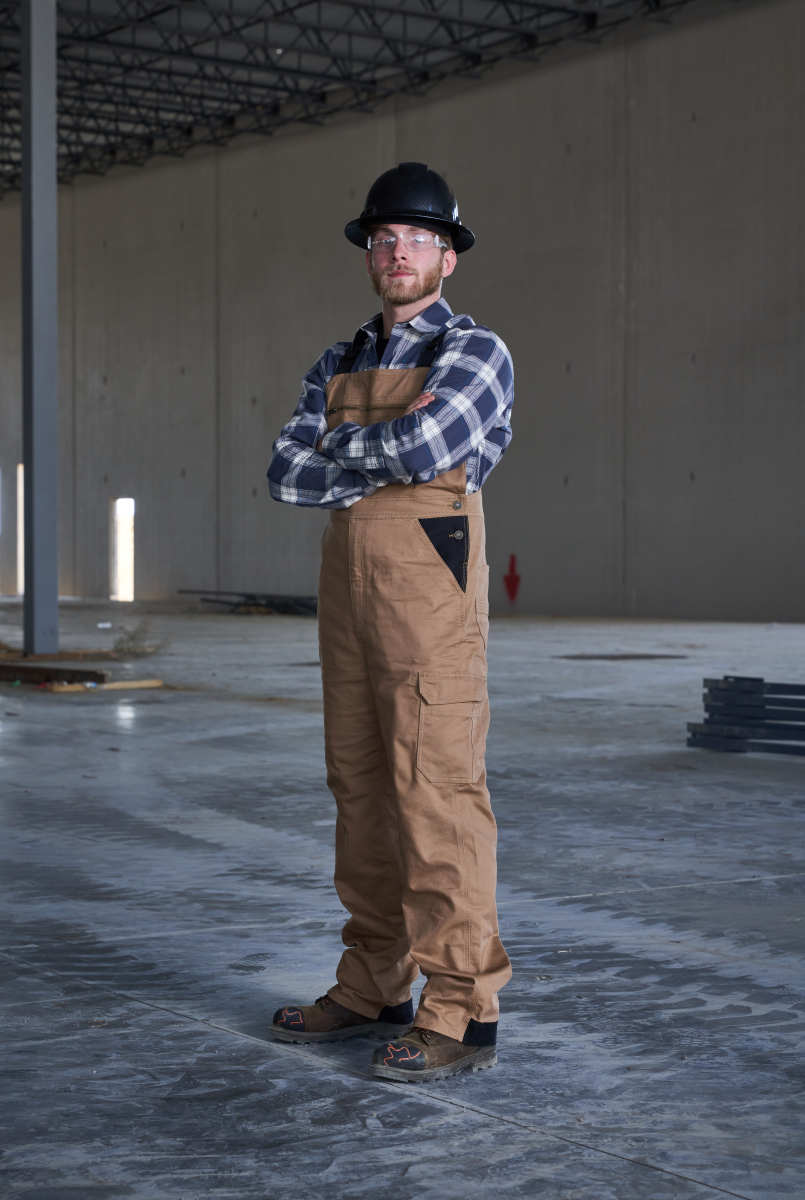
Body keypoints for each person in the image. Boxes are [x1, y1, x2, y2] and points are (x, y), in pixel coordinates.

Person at [266, 162, 514, 1082]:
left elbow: (427, 444)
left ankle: (461, 1008)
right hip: (350, 607)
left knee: (435, 796)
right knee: (361, 792)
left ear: (447, 256)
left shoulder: (475, 352)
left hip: (428, 608)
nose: (397, 251)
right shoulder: (337, 362)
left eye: (416, 238)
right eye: (383, 238)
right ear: (369, 255)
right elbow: (285, 472)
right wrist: (379, 454)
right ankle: (374, 983)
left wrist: (344, 449)